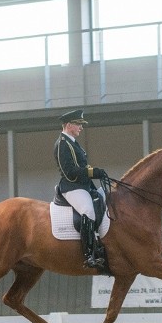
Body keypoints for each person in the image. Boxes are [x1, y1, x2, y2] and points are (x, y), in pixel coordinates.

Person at [54, 109, 107, 269]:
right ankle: (89, 254)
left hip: (83, 185)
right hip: (72, 186)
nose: (81, 128)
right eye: (78, 124)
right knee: (87, 211)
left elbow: (81, 166)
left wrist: (94, 172)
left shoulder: (72, 143)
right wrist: (92, 172)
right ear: (69, 125)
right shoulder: (62, 144)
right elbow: (69, 171)